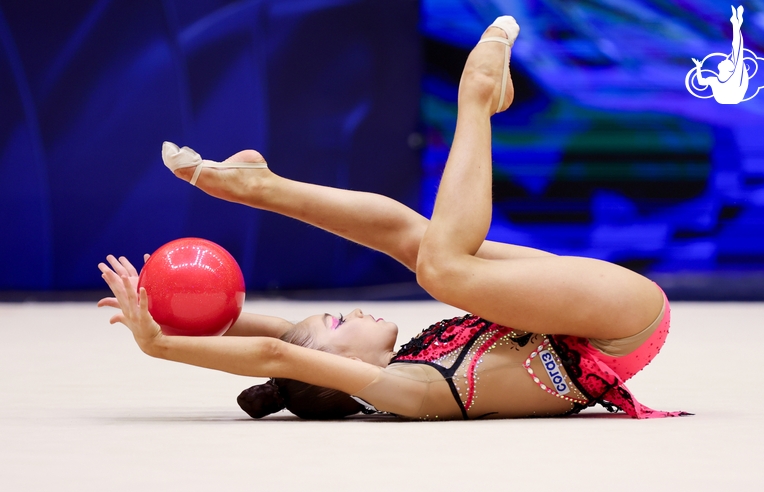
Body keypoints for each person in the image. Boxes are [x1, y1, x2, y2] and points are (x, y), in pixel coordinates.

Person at [99, 16, 687, 420]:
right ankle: (477, 97)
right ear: (341, 367)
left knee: (419, 243)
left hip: (580, 310)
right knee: (441, 268)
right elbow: (279, 356)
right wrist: (159, 348)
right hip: (617, 327)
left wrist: (171, 311)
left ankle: (259, 186)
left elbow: (261, 334)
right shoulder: (407, 390)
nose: (348, 312)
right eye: (335, 324)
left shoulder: (382, 364)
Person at [691, 5, 748, 104]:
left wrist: (736, 25)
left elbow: (737, 48)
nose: (725, 59)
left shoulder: (732, 78)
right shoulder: (717, 80)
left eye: (725, 61)